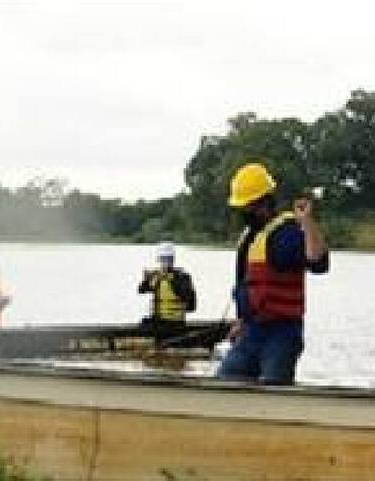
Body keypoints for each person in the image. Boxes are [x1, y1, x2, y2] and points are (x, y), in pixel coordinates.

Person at [217, 162, 329, 386]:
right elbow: (245, 284)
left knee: (274, 388)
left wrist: (307, 222)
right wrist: (241, 321)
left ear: (263, 203)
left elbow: (318, 262)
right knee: (226, 382)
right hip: (251, 331)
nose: (243, 212)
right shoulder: (250, 237)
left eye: (247, 207)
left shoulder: (285, 234)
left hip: (281, 333)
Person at [137, 243, 196, 325]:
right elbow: (141, 290)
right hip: (158, 320)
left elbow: (187, 299)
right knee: (143, 323)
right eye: (162, 259)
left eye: (167, 259)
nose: (164, 263)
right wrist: (146, 279)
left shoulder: (182, 276)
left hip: (175, 321)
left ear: (172, 260)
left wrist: (171, 280)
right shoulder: (157, 276)